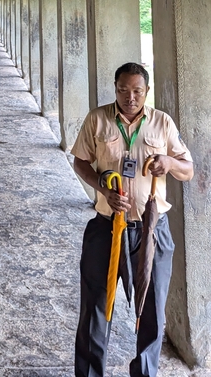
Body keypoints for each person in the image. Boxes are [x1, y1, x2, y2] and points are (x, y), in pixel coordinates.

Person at [71, 62, 193, 377]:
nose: (130, 97)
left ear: (146, 91)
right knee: (97, 307)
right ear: (115, 89)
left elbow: (187, 169)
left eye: (137, 91)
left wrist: (168, 161)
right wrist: (101, 184)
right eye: (123, 90)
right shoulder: (97, 120)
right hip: (106, 227)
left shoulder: (162, 123)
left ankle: (145, 372)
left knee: (152, 310)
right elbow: (81, 161)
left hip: (152, 230)